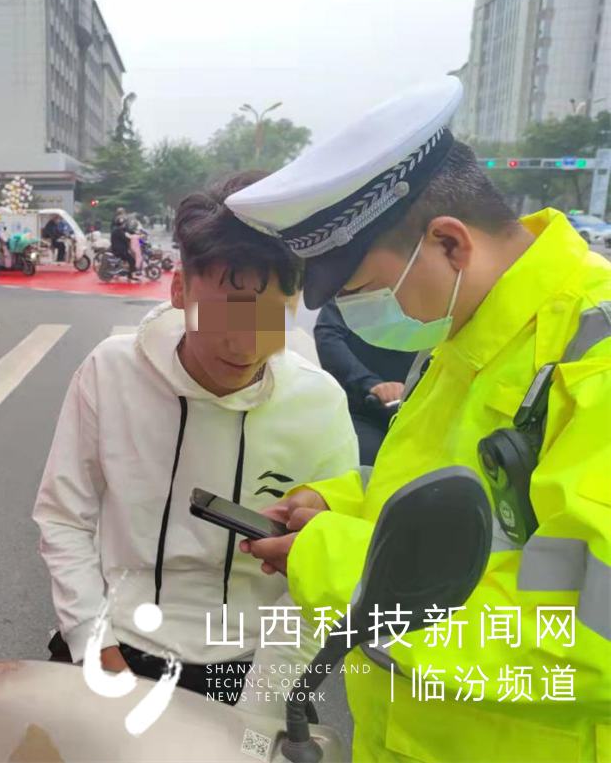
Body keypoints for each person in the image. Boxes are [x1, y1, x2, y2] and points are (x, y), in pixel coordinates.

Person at [226, 77, 611, 762]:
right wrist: (341, 503)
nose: (359, 318)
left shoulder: (594, 357)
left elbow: (586, 636)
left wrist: (333, 559)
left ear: (450, 243)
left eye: (365, 293)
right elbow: (462, 503)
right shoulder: (469, 333)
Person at [33, 171, 358, 708]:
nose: (245, 344)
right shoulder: (109, 373)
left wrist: (261, 704)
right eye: (226, 312)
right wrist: (94, 645)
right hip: (116, 639)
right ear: (180, 289)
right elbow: (65, 517)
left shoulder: (319, 403)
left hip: (248, 665)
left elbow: (315, 583)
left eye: (271, 317)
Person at [314, 298, 416, 464]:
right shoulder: (349, 292)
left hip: (420, 413)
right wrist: (370, 383)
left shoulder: (426, 296)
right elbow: (329, 337)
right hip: (364, 412)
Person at [109, 211, 137, 275]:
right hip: (120, 250)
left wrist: (135, 234)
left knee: (127, 259)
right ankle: (131, 274)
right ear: (122, 223)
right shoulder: (118, 230)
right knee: (131, 260)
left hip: (118, 249)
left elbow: (128, 230)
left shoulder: (118, 229)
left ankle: (125, 271)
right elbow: (125, 238)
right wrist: (132, 238)